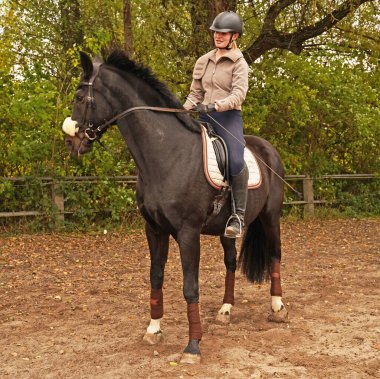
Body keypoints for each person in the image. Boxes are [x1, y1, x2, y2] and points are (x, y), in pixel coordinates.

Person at [183, 11, 249, 238]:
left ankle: (238, 216)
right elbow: (195, 94)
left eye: (223, 33)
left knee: (235, 159)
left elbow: (239, 95)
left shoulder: (240, 63)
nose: (218, 36)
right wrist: (182, 110)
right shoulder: (203, 60)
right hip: (203, 117)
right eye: (215, 32)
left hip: (227, 118)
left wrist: (215, 106)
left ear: (234, 36)